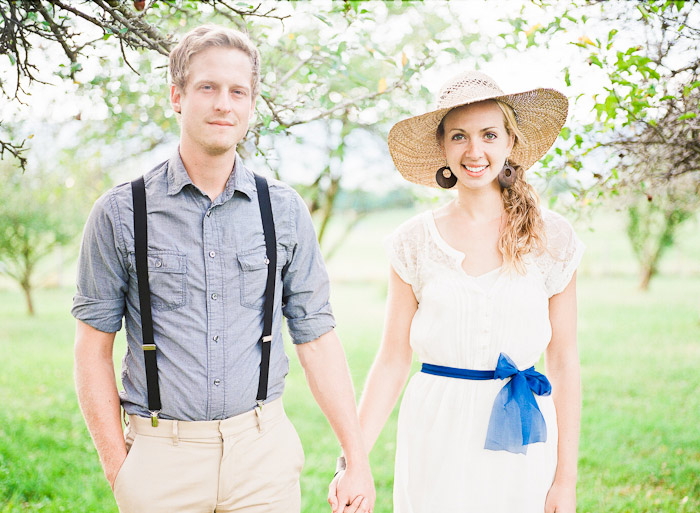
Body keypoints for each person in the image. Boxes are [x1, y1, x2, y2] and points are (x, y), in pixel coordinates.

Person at [72, 24, 374, 513]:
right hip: (160, 460)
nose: (223, 104)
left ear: (251, 104)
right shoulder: (120, 212)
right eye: (207, 87)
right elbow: (92, 349)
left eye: (238, 91)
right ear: (177, 95)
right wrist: (118, 466)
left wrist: (356, 458)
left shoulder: (285, 210)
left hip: (263, 454)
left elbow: (317, 338)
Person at [329, 70, 584, 513]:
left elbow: (563, 362)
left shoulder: (551, 238)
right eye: (459, 136)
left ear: (510, 143)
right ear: (444, 149)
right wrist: (353, 461)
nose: (475, 151)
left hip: (521, 437)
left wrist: (565, 481)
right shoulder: (414, 241)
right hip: (435, 428)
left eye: (489, 134)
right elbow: (392, 359)